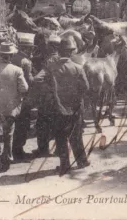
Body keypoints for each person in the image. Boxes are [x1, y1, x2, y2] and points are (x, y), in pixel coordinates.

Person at [44, 38, 91, 174]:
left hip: (58, 107)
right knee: (76, 135)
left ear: (59, 51)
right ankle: (82, 161)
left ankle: (65, 165)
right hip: (75, 107)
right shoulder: (78, 68)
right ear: (71, 52)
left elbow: (47, 87)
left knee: (60, 136)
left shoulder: (52, 68)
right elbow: (86, 87)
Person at [0, 42, 29, 172]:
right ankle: (7, 159)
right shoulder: (17, 70)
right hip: (9, 108)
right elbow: (24, 88)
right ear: (12, 55)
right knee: (8, 134)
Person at [31, 35, 60, 157]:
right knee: (58, 123)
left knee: (42, 123)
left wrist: (32, 78)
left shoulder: (50, 61)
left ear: (51, 47)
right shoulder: (63, 59)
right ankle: (59, 149)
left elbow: (38, 78)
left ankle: (43, 150)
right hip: (61, 98)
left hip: (48, 98)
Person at [11, 33, 36, 161]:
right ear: (28, 49)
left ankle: (12, 150)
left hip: (11, 95)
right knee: (23, 124)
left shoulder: (13, 57)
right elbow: (29, 80)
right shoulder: (26, 62)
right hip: (23, 97)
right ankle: (18, 151)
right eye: (31, 48)